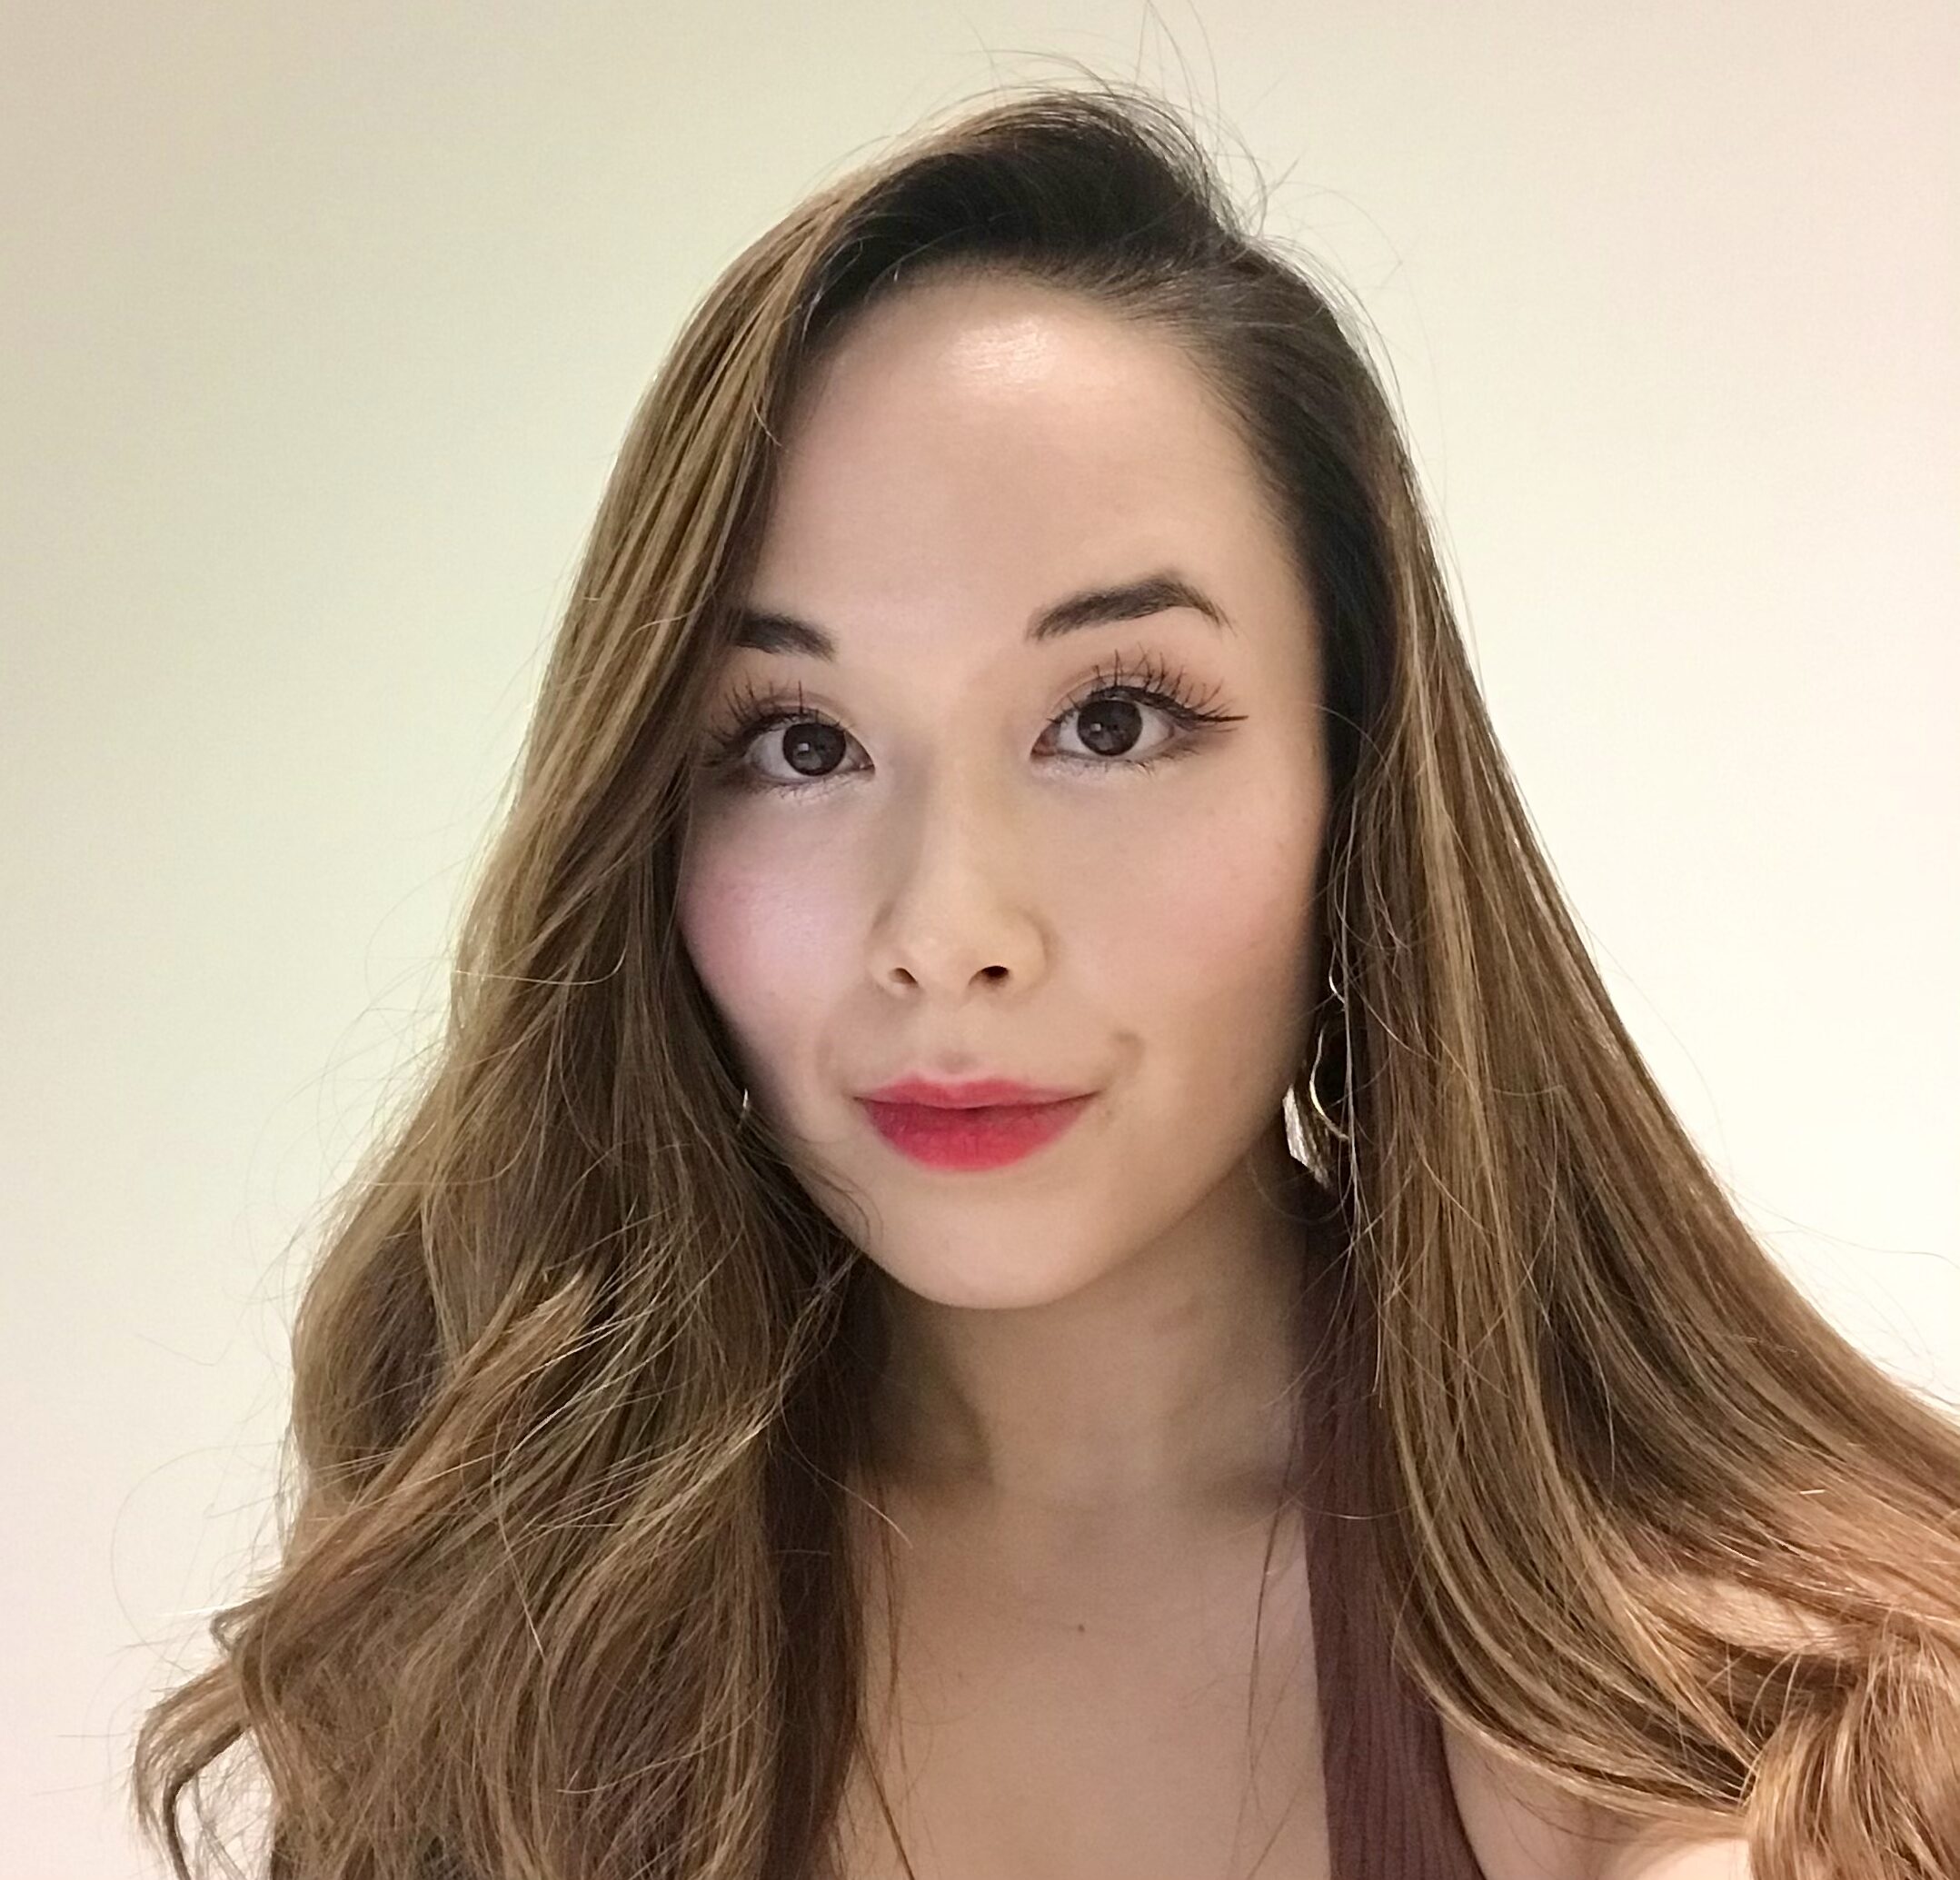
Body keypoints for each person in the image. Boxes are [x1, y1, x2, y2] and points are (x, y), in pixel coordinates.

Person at [131, 75, 1960, 1880]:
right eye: (797, 742)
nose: (946, 926)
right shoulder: (507, 1646)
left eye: (1109, 719)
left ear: (1351, 776)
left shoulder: (1774, 1735)